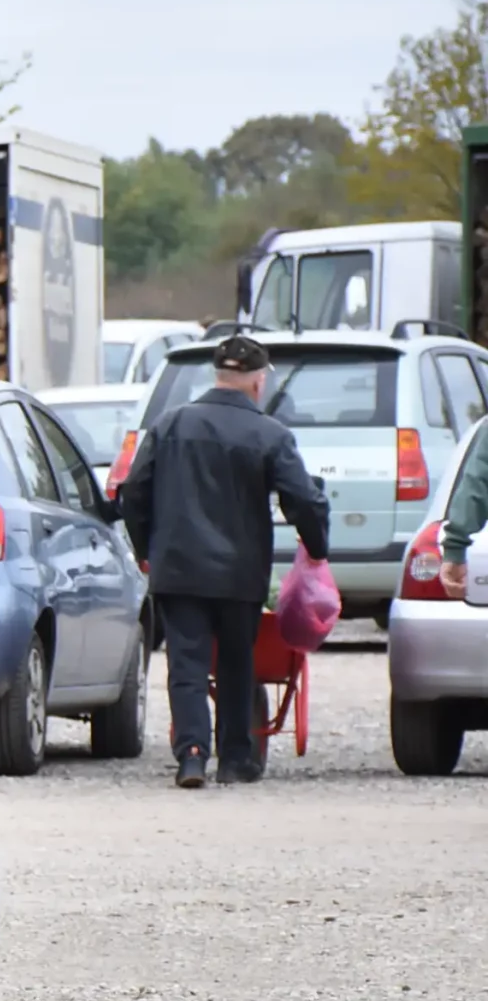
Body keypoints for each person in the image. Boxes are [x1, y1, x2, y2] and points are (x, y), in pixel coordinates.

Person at [118, 332, 329, 788]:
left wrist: (145, 549)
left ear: (216, 376)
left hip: (178, 568)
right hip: (239, 572)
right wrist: (316, 548)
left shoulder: (170, 424)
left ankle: (192, 755)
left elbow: (133, 490)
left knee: (187, 665)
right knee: (236, 663)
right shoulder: (270, 434)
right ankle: (235, 759)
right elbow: (303, 499)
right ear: (258, 381)